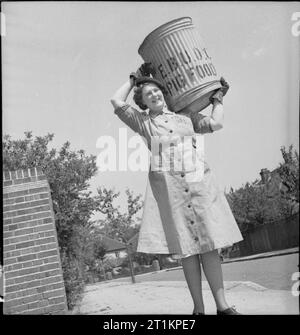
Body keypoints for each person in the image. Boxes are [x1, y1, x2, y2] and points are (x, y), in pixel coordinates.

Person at [110, 64, 244, 315]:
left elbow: (216, 124)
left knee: (210, 246)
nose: (154, 95)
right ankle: (198, 309)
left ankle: (223, 307)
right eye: (147, 94)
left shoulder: (186, 117)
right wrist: (133, 79)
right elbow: (116, 101)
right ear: (142, 102)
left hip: (199, 185)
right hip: (171, 191)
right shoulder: (143, 123)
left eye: (156, 90)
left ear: (164, 93)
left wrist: (218, 100)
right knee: (188, 251)